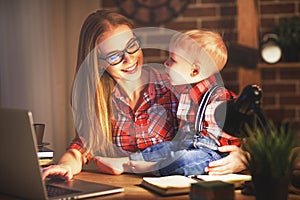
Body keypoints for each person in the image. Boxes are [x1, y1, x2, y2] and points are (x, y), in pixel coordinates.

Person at [42, 9, 179, 180]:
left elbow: (203, 133)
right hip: (126, 190)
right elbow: (81, 149)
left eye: (132, 46)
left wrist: (222, 152)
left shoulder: (172, 84)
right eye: (114, 56)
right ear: (98, 64)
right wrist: (65, 166)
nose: (129, 59)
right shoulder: (100, 101)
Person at [128, 29, 247, 176]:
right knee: (161, 148)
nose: (165, 63)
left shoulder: (220, 98)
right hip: (183, 144)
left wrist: (244, 154)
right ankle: (128, 162)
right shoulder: (185, 92)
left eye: (173, 60)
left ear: (194, 71)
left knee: (183, 161)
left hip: (210, 152)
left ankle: (154, 168)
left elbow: (241, 130)